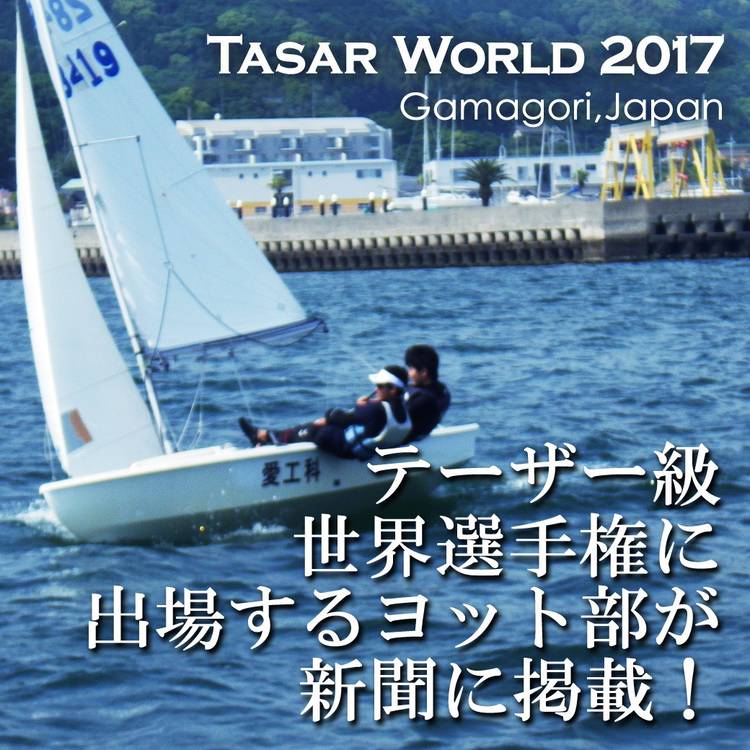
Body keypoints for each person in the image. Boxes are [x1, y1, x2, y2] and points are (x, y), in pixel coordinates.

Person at [238, 365, 412, 460]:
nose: (376, 389)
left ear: (393, 390)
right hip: (368, 451)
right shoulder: (401, 408)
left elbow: (340, 417)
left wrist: (354, 408)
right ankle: (267, 435)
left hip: (345, 450)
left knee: (313, 428)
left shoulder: (376, 409)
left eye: (380, 386)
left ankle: (266, 439)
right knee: (316, 426)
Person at [404, 344, 451, 440]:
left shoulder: (422, 400)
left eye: (411, 369)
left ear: (423, 372)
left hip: (409, 438)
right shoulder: (443, 390)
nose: (408, 373)